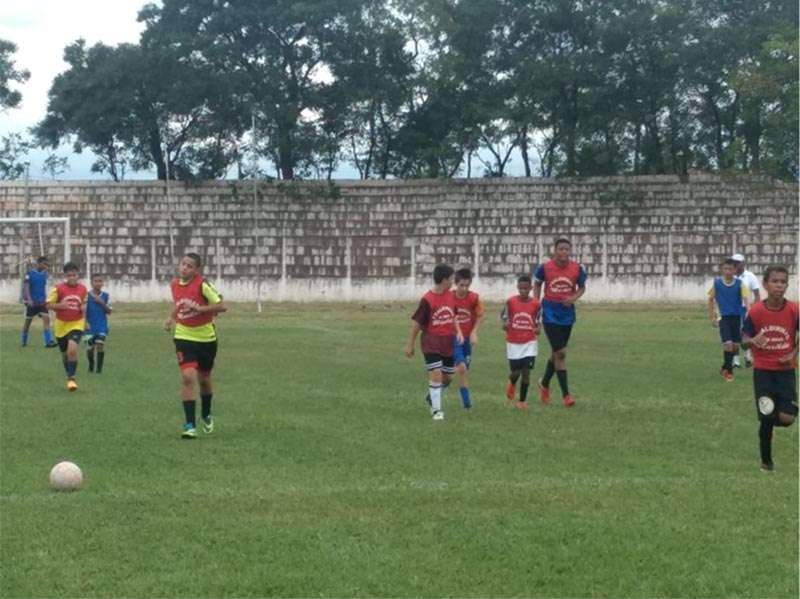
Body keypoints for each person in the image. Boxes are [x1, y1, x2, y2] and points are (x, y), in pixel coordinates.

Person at [163, 253, 228, 439]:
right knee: (187, 377)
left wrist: (200, 309)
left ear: (196, 270)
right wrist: (170, 317)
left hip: (206, 338)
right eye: (182, 264)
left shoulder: (202, 285)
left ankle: (206, 414)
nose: (184, 268)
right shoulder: (174, 285)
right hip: (184, 335)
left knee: (204, 381)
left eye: (189, 266)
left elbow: (222, 306)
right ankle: (189, 425)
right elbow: (179, 304)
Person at [740, 266, 798, 472]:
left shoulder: (794, 310)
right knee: (766, 415)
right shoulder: (756, 311)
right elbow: (744, 341)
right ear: (765, 285)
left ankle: (773, 420)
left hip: (786, 371)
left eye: (783, 282)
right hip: (763, 371)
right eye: (775, 281)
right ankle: (766, 462)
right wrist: (753, 340)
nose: (779, 285)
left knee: (787, 418)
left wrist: (793, 354)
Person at [405, 264, 464, 421]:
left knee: (448, 377)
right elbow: (416, 323)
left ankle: (433, 396)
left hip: (447, 341)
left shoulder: (451, 296)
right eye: (452, 279)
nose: (453, 282)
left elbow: (453, 316)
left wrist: (458, 332)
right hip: (431, 341)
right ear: (444, 280)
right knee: (436, 373)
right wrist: (410, 344)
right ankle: (436, 410)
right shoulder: (428, 300)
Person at [533, 238, 587, 407]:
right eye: (561, 249)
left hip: (567, 315)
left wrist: (573, 298)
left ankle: (544, 383)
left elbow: (582, 287)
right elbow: (537, 284)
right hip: (549, 313)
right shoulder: (545, 267)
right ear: (555, 250)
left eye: (566, 249)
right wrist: (536, 305)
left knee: (557, 352)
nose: (564, 252)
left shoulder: (577, 268)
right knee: (561, 352)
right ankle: (566, 395)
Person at [45, 262, 88, 391]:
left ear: (78, 275)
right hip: (61, 325)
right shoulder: (58, 289)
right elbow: (48, 305)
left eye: (74, 275)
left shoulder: (83, 289)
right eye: (69, 275)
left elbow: (84, 302)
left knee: (72, 350)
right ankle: (70, 374)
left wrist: (84, 312)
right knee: (65, 354)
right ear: (65, 276)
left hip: (76, 323)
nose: (72, 278)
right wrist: (59, 306)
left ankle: (72, 380)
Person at [502, 275, 542, 410]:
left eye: (526, 288)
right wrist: (505, 325)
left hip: (529, 343)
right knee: (516, 372)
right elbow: (504, 318)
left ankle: (522, 401)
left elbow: (538, 321)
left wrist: (538, 329)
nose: (523, 291)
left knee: (526, 372)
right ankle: (512, 382)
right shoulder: (510, 302)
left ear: (531, 288)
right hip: (513, 342)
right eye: (521, 288)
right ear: (517, 288)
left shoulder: (536, 304)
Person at [707, 258, 749, 382]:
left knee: (735, 346)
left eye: (730, 269)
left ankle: (724, 367)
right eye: (725, 268)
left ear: (735, 270)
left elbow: (746, 300)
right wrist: (713, 316)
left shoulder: (740, 284)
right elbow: (710, 299)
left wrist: (749, 314)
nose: (727, 271)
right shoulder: (717, 284)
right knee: (728, 344)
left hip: (736, 317)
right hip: (723, 317)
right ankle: (728, 372)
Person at [452, 268, 484, 410]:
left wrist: (474, 332)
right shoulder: (449, 298)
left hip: (467, 339)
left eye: (467, 285)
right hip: (453, 338)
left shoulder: (474, 298)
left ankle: (435, 392)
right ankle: (467, 403)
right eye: (461, 285)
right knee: (462, 368)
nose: (464, 289)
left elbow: (479, 316)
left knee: (463, 370)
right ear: (455, 283)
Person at [730, 253, 760, 368]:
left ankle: (748, 357)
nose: (736, 265)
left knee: (746, 333)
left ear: (743, 263)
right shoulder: (730, 275)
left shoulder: (750, 276)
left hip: (745, 308)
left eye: (738, 263)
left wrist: (752, 309)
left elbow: (757, 294)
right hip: (733, 309)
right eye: (734, 263)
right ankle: (736, 361)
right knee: (734, 335)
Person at [21, 256, 58, 348]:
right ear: (38, 263)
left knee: (47, 319)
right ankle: (24, 342)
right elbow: (26, 287)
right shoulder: (30, 273)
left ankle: (48, 342)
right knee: (27, 323)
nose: (46, 266)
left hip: (41, 302)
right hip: (32, 302)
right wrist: (29, 299)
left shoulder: (45, 274)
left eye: (47, 264)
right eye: (44, 264)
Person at [84, 274, 112, 373]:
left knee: (100, 344)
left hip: (101, 325)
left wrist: (102, 302)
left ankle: (99, 370)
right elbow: (82, 310)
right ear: (91, 283)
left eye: (100, 281)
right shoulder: (86, 296)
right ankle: (91, 364)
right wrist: (85, 322)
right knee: (89, 349)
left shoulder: (106, 296)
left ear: (103, 283)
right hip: (89, 326)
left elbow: (109, 311)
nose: (98, 283)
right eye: (96, 281)